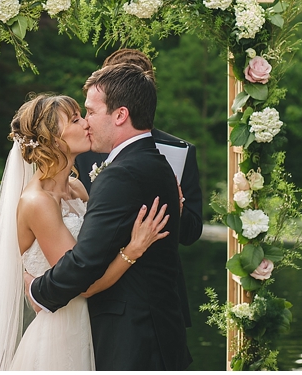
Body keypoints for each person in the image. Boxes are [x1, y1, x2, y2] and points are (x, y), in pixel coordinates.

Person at [0, 94, 170, 370]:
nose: (86, 123)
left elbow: (95, 252)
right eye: (75, 119)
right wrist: (132, 250)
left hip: (93, 326)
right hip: (59, 336)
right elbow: (83, 284)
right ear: (52, 139)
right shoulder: (38, 202)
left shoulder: (77, 188)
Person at [29, 64, 192, 370]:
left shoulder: (122, 174)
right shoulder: (154, 164)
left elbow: (85, 263)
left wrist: (36, 290)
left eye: (89, 112)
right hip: (154, 334)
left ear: (120, 115)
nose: (86, 122)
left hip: (133, 342)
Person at [74, 48, 203, 328]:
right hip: (98, 280)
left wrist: (175, 205)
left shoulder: (179, 151)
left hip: (156, 295)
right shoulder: (85, 148)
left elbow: (191, 232)